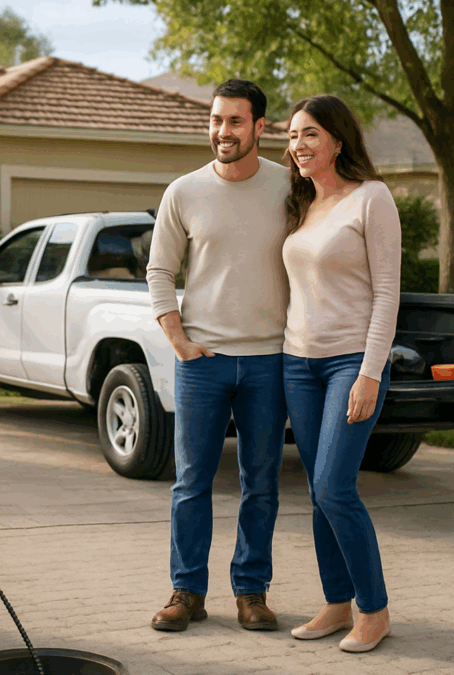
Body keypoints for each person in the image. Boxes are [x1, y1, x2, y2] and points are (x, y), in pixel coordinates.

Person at [146, 79, 290, 632]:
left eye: (234, 121)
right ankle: (187, 592)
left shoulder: (289, 186)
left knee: (262, 483)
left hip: (269, 360)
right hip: (202, 361)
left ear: (259, 127)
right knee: (190, 483)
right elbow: (159, 270)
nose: (222, 131)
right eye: (215, 120)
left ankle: (251, 592)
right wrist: (179, 341)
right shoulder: (184, 191)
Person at [281, 95, 401, 652]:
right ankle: (336, 603)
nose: (298, 145)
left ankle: (373, 611)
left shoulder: (371, 198)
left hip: (351, 361)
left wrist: (370, 373)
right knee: (317, 490)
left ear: (337, 140)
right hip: (297, 363)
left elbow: (388, 293)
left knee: (334, 486)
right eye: (292, 136)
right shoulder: (302, 204)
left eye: (309, 134)